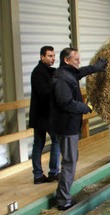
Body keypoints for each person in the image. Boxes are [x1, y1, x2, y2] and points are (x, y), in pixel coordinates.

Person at [51, 47, 107, 210]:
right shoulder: (61, 79)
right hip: (66, 126)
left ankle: (62, 194)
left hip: (70, 125)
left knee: (70, 160)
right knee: (69, 162)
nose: (79, 61)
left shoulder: (68, 73)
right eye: (76, 59)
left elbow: (80, 71)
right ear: (66, 60)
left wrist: (96, 68)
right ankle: (63, 200)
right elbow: (65, 103)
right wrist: (85, 107)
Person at [29, 45, 59, 184]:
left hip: (46, 115)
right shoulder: (38, 73)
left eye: (53, 56)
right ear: (42, 57)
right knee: (42, 143)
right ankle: (41, 174)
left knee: (44, 143)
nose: (53, 58)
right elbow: (43, 94)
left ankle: (45, 173)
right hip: (42, 115)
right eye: (50, 56)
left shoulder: (51, 71)